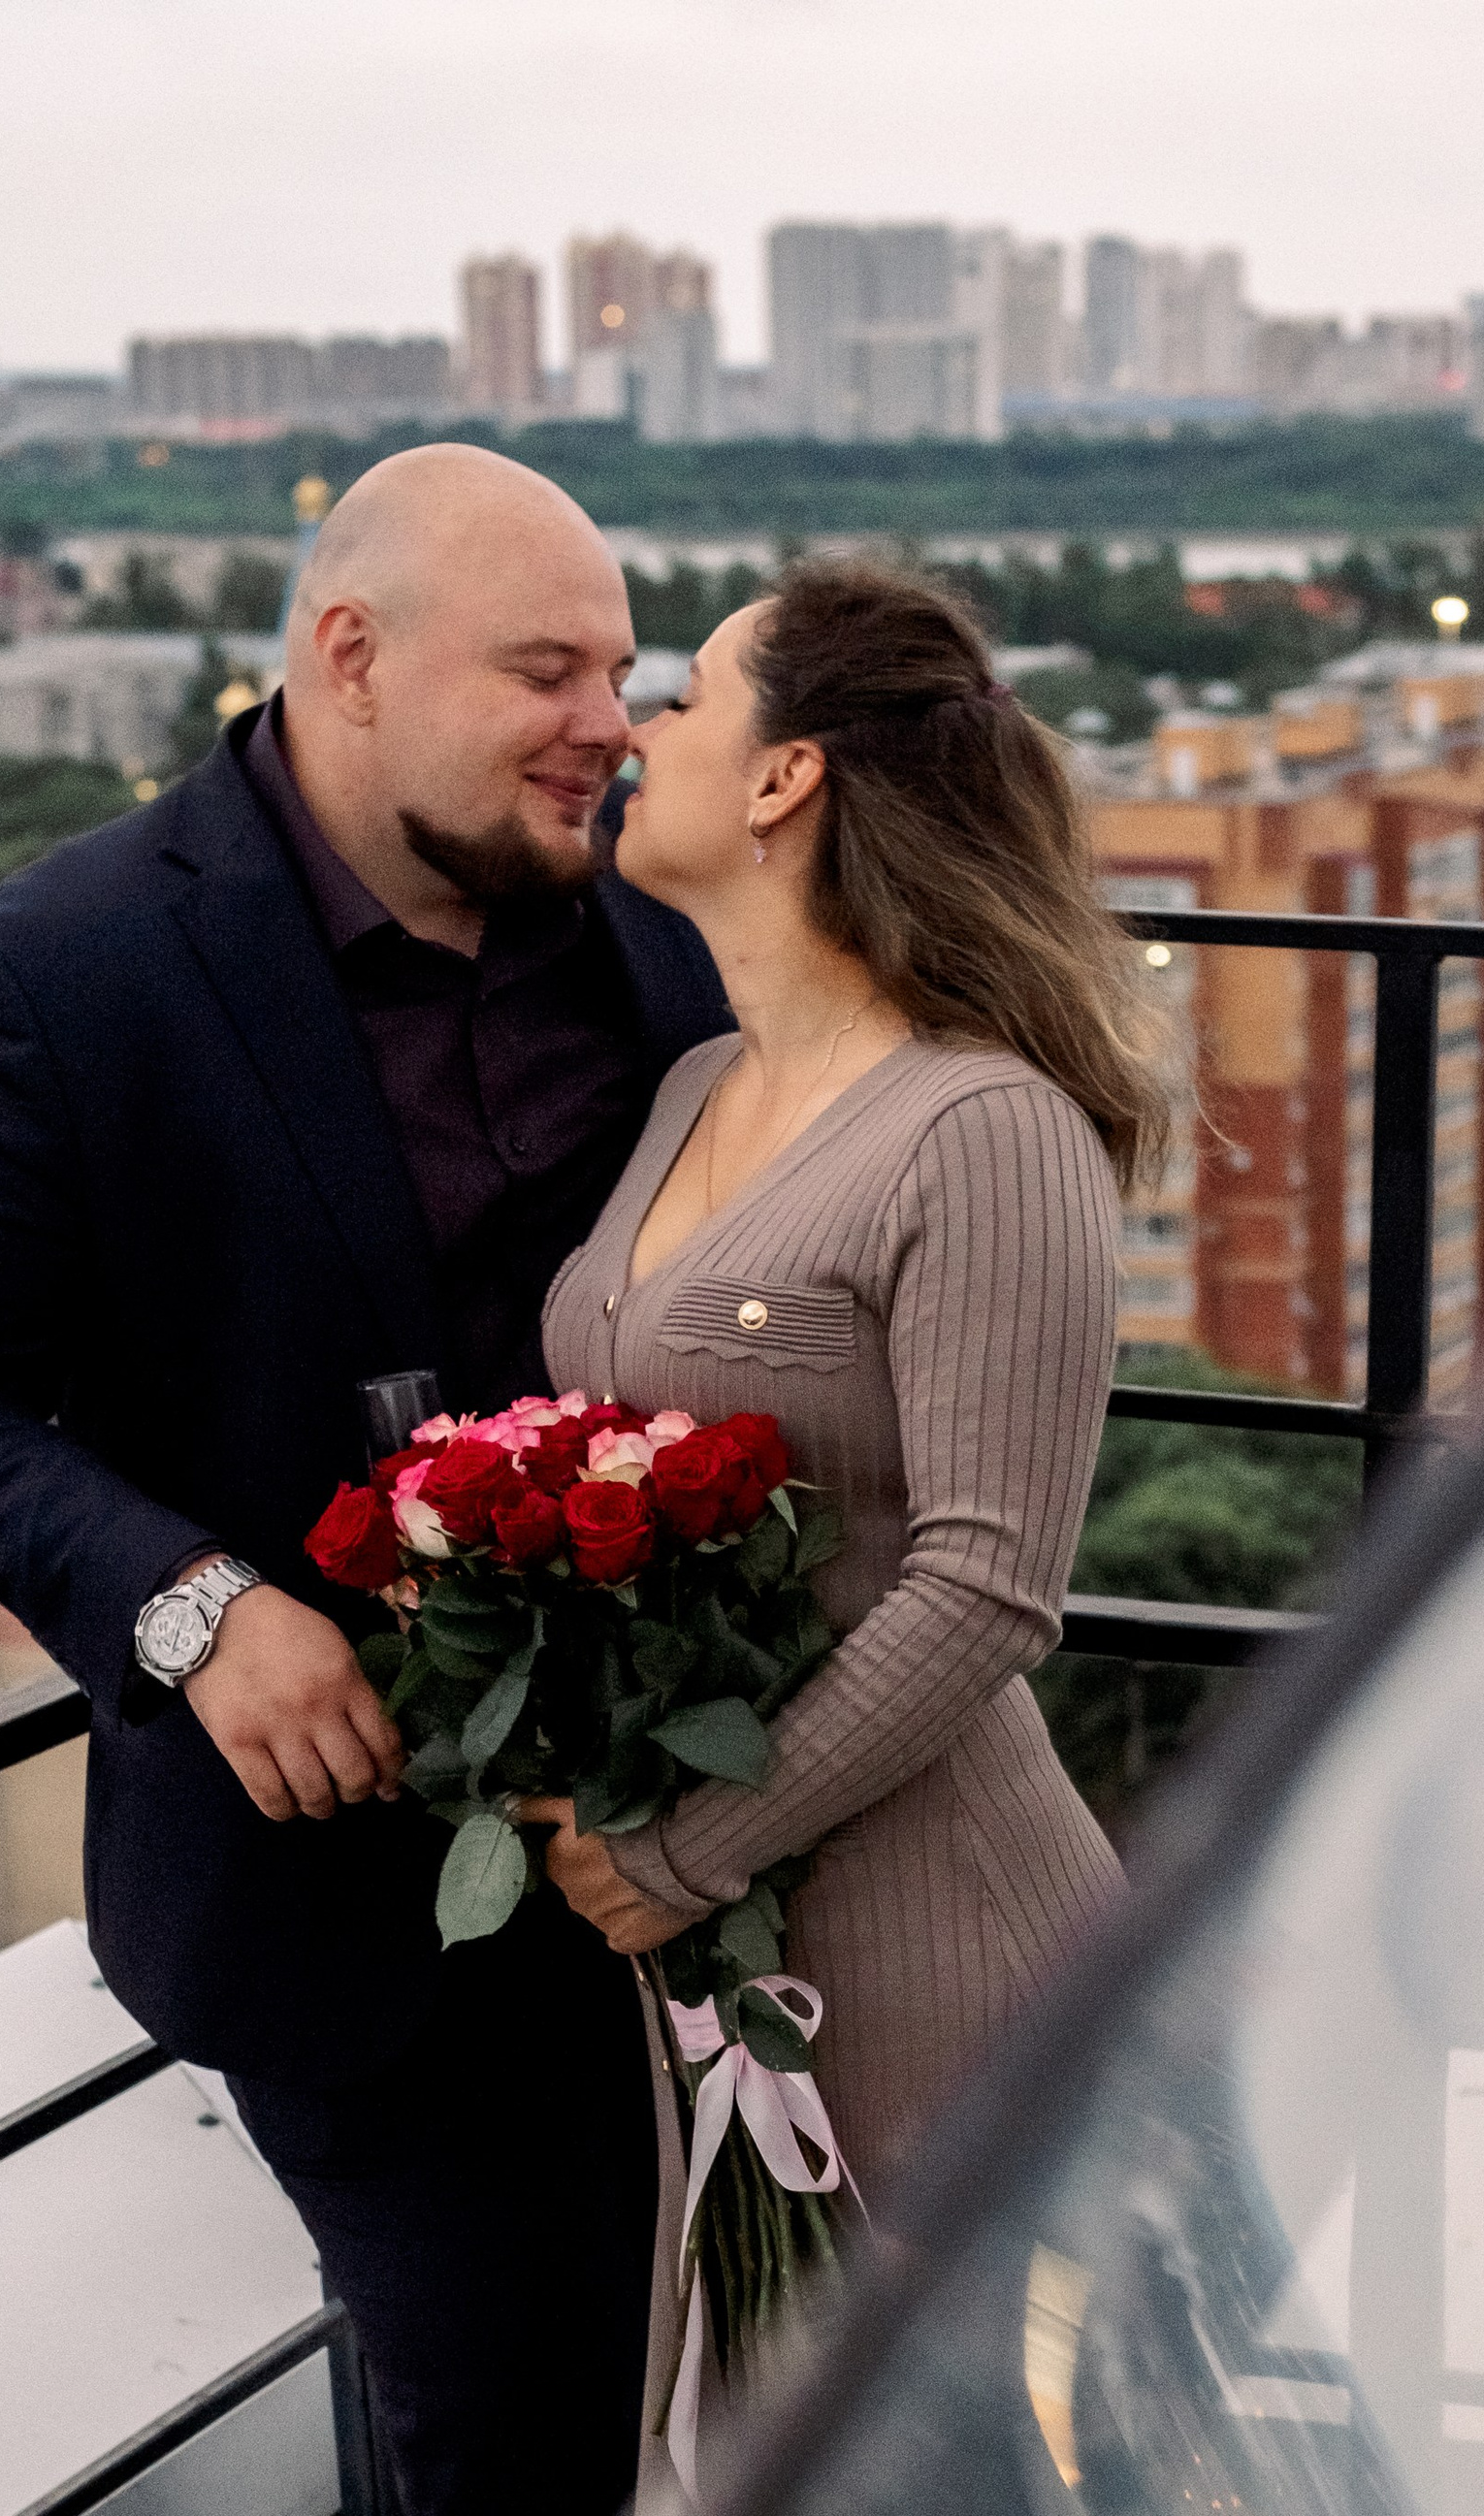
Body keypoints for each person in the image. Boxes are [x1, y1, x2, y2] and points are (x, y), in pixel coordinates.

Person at [0, 448, 731, 2516]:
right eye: (543, 669)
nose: (602, 722)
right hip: (353, 1917)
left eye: (617, 674)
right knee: (534, 2505)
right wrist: (194, 1606)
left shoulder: (662, 927)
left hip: (703, 1850)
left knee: (764, 2426)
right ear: (348, 657)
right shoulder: (67, 963)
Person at [529, 557, 1165, 2205]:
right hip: (723, 1960)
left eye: (680, 699)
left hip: (939, 1943)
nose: (630, 735)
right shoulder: (690, 1089)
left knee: (950, 2449)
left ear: (783, 778)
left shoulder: (981, 1126)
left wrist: (684, 1852)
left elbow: (986, 1587)